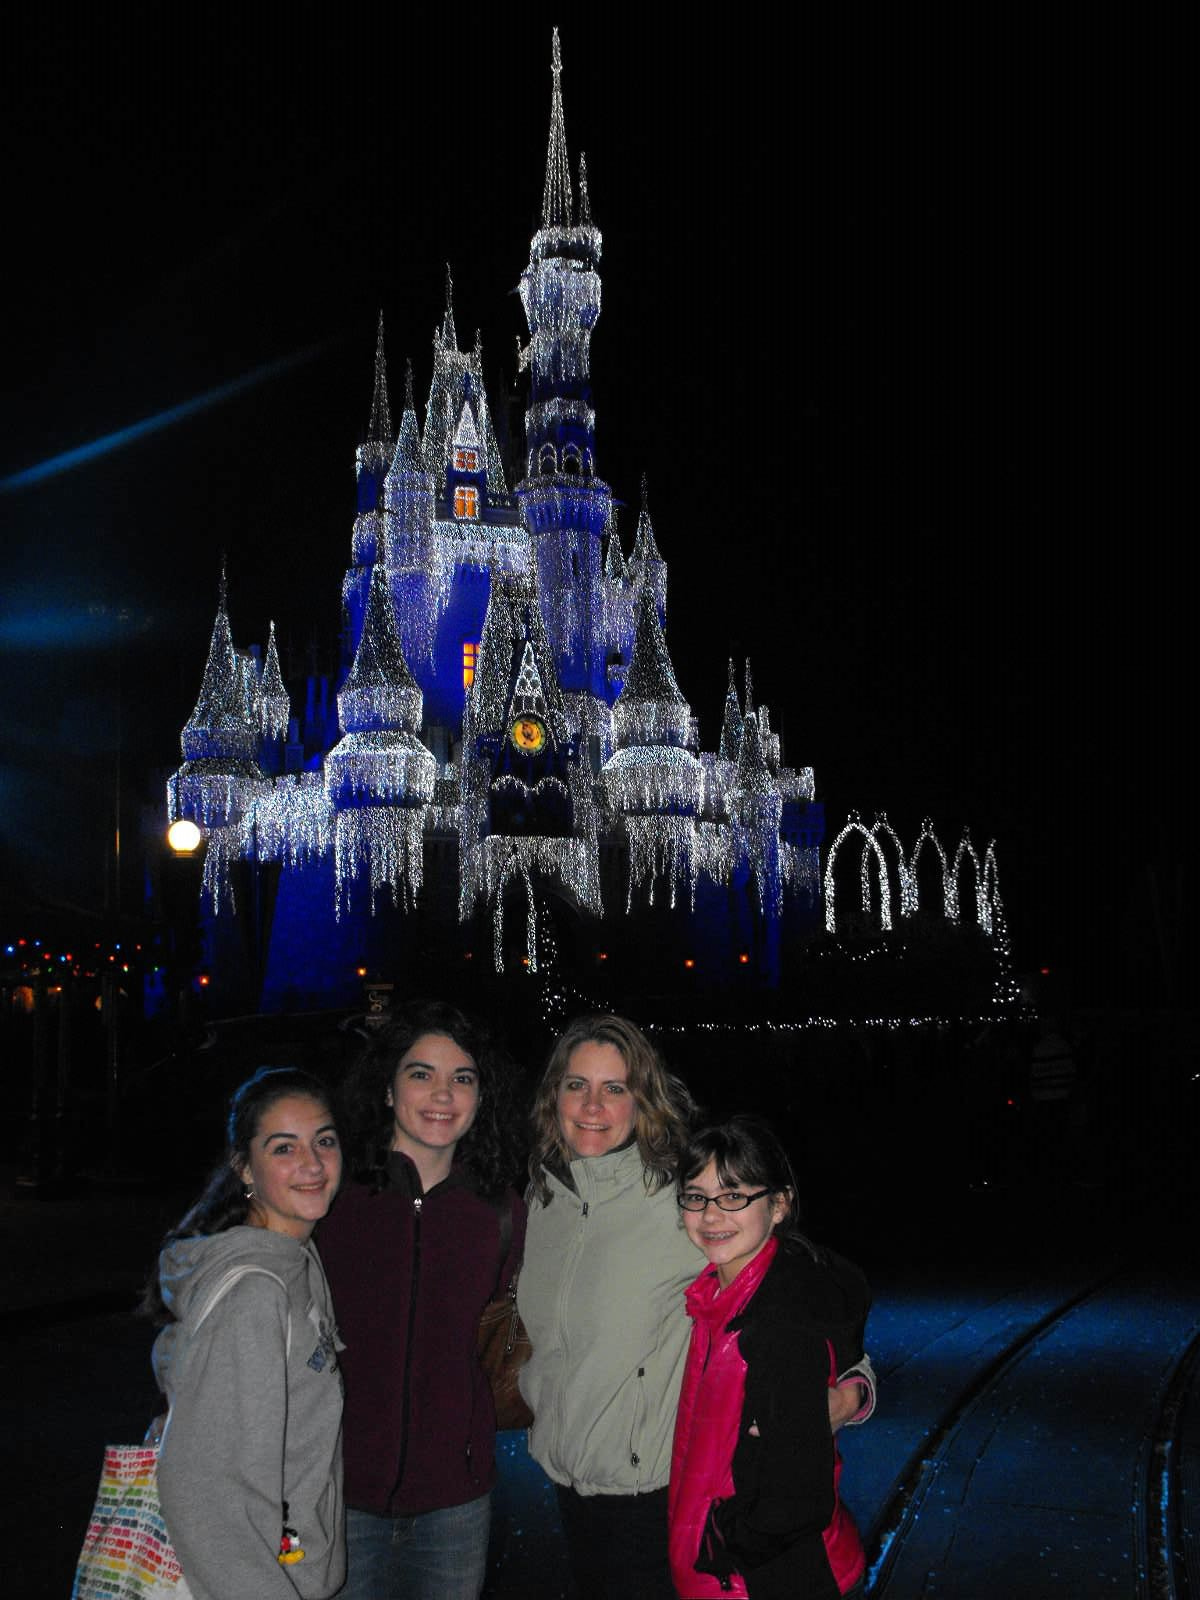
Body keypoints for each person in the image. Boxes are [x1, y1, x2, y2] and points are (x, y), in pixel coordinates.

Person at [318, 1000, 526, 1600]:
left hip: (455, 1505)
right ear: (387, 1090)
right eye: (420, 1074)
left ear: (481, 1099)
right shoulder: (332, 1196)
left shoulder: (501, 1212)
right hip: (337, 1499)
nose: (443, 1094)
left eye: (462, 1078)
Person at [145, 1067, 346, 1600]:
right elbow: (207, 1493)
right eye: (284, 1148)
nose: (312, 1163)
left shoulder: (296, 1259)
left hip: (291, 1566)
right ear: (245, 1168)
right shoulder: (255, 1294)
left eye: (324, 1141)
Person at [669, 1116, 872, 1600]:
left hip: (762, 1579)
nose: (711, 1214)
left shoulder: (779, 1319)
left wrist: (727, 1540)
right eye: (696, 1197)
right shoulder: (717, 1299)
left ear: (778, 1204)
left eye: (734, 1195)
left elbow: (798, 1496)